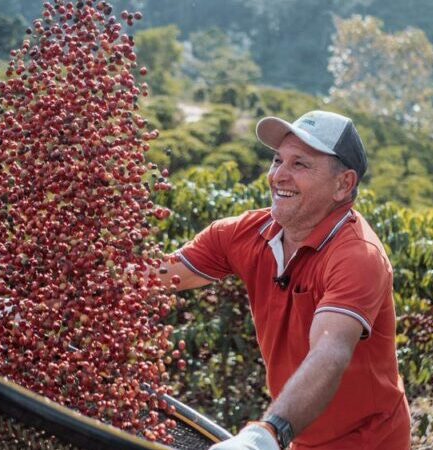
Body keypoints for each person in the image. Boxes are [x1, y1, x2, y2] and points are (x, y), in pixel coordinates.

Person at [153, 110, 411, 449]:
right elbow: (156, 278)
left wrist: (267, 433)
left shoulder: (357, 256)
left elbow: (330, 353)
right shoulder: (244, 234)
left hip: (367, 441)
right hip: (300, 436)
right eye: (277, 161)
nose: (279, 176)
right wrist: (73, 288)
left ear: (343, 184)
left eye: (300, 165)